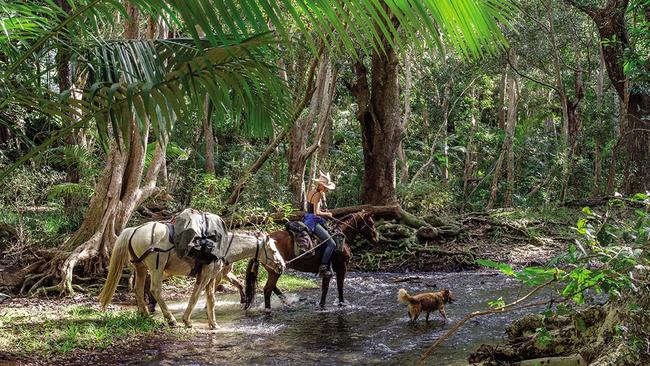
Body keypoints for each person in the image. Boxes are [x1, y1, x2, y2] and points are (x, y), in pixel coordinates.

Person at [303, 171, 337, 278]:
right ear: (321, 185)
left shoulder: (312, 191)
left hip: (307, 218)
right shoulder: (317, 194)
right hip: (312, 221)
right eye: (326, 187)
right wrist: (328, 213)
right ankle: (323, 267)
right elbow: (316, 212)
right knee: (332, 244)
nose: (327, 189)